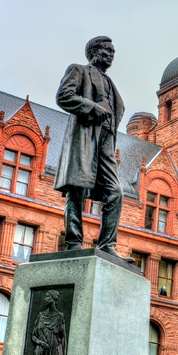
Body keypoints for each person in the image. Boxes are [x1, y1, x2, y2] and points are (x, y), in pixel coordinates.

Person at [54, 36, 125, 254]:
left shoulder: (111, 84)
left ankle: (107, 245)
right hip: (85, 136)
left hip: (106, 141)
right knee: (76, 190)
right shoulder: (79, 70)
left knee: (115, 192)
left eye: (113, 51)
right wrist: (92, 108)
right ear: (94, 52)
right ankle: (74, 242)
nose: (111, 54)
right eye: (106, 49)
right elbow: (63, 97)